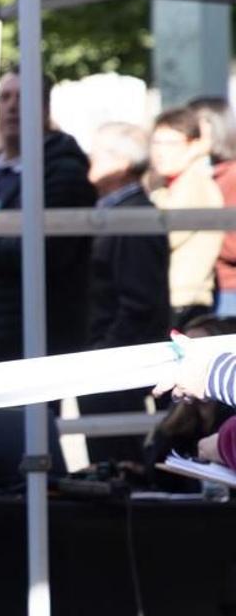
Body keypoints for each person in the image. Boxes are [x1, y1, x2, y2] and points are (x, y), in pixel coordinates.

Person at [0, 68, 95, 362]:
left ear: (44, 109)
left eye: (23, 97)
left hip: (37, 332)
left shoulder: (63, 171)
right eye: (5, 97)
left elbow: (45, 249)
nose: (12, 106)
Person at [80, 122, 169, 465]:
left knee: (118, 463)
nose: (90, 159)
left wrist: (104, 355)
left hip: (117, 366)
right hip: (110, 360)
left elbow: (139, 301)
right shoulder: (117, 212)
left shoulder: (134, 218)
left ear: (120, 163)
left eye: (98, 152)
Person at [149, 106, 223, 325]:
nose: (160, 152)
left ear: (193, 145)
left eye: (170, 143)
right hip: (175, 299)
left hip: (185, 300)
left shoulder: (195, 183)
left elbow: (166, 235)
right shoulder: (169, 184)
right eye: (156, 143)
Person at [189, 98, 236, 318]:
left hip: (228, 288)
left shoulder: (231, 176)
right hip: (210, 285)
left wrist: (203, 236)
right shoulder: (200, 174)